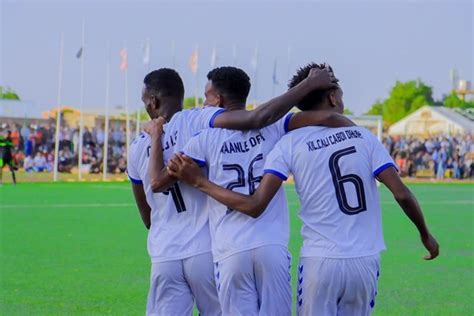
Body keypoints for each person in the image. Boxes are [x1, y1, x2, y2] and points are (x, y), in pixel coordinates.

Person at [168, 63, 440, 316]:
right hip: (355, 257)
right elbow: (401, 193)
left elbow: (250, 203)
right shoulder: (358, 136)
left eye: (206, 97)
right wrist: (425, 234)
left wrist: (193, 175)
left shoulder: (282, 143)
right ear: (333, 98)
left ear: (218, 99)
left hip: (300, 258)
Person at [151, 65, 353, 315]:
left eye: (206, 96)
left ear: (219, 99)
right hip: (271, 245)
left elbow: (158, 182)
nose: (204, 103)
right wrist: (358, 135)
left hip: (230, 250)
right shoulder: (277, 126)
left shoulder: (204, 139)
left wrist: (157, 138)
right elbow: (328, 118)